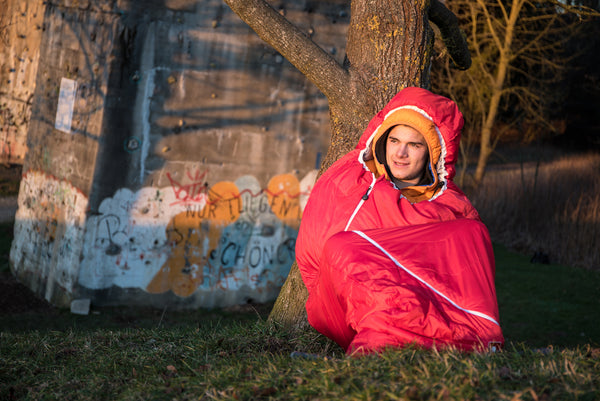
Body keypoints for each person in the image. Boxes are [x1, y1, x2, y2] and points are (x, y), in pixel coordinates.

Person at [295, 87, 504, 355]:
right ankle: (391, 340)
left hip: (428, 307)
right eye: (394, 141)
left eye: (414, 145)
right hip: (343, 302)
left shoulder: (452, 207)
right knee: (343, 248)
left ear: (430, 151)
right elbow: (322, 254)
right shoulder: (353, 182)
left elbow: (461, 279)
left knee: (472, 232)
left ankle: (467, 338)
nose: (401, 153)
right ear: (383, 141)